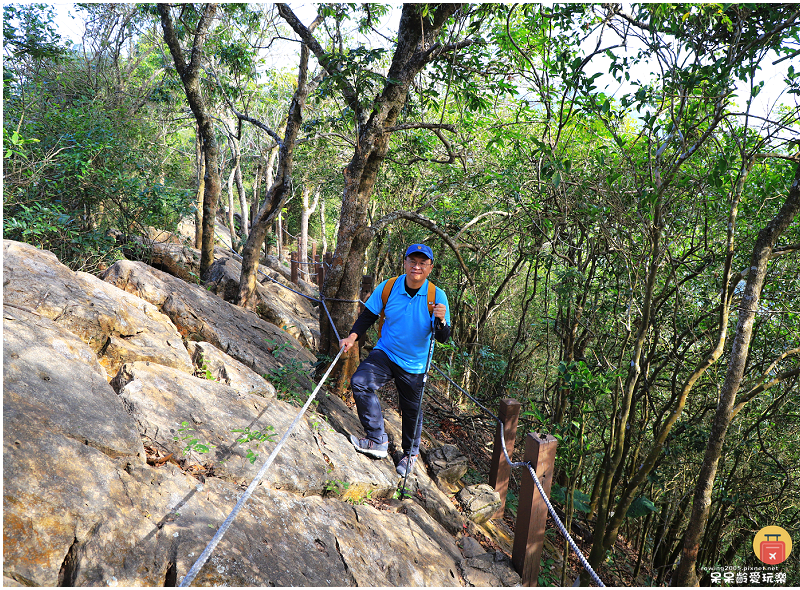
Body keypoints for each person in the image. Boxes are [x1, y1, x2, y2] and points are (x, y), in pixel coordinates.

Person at [338, 244, 451, 477]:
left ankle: (410, 454)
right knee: (360, 381)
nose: (416, 267)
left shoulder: (437, 297)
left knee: (411, 410)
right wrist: (352, 337)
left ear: (430, 268)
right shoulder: (389, 287)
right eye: (412, 261)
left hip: (415, 364)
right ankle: (377, 439)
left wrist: (441, 321)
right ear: (405, 263)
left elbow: (442, 338)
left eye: (422, 263)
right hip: (387, 352)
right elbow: (368, 315)